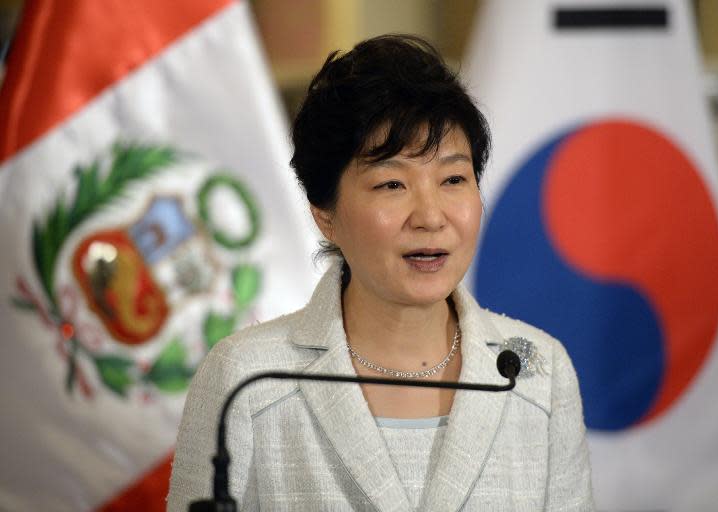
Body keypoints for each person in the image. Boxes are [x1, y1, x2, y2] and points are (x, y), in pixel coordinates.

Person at [167, 34, 593, 511]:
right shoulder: (248, 378)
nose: (431, 217)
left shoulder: (537, 371)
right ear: (324, 213)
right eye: (392, 184)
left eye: (454, 179)